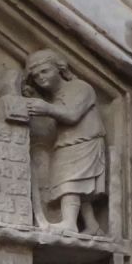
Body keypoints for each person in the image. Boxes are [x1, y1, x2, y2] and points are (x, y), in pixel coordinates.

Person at [23, 49, 107, 233]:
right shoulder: (54, 97)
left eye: (45, 71)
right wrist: (38, 101)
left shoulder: (80, 88)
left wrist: (45, 107)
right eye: (36, 76)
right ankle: (91, 224)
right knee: (76, 183)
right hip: (70, 143)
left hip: (84, 142)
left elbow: (72, 114)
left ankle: (69, 223)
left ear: (59, 68)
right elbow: (53, 123)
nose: (40, 78)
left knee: (69, 181)